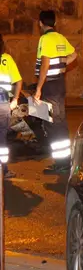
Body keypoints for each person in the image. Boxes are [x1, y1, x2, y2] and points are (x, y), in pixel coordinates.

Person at [34, 10, 77, 174]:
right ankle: (65, 160)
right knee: (60, 122)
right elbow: (74, 55)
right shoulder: (60, 37)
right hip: (59, 84)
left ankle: (61, 163)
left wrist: (38, 88)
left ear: (40, 23)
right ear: (55, 23)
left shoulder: (45, 39)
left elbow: (45, 63)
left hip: (50, 86)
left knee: (52, 124)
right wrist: (62, 62)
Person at [0, 34, 21, 179]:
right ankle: (3, 170)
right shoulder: (6, 59)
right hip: (3, 103)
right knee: (2, 138)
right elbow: (18, 81)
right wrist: (15, 99)